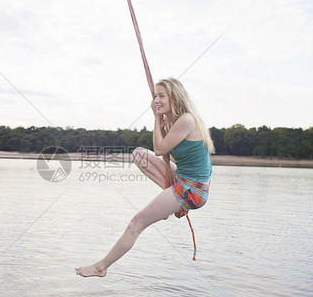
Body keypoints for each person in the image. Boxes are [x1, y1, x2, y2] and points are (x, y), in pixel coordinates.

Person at [75, 77, 214, 277]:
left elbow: (159, 149)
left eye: (161, 96)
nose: (156, 100)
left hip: (191, 190)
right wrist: (162, 121)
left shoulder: (186, 120)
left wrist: (156, 119)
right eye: (155, 96)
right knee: (139, 155)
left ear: (174, 97)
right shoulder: (175, 121)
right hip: (184, 179)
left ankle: (101, 267)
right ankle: (171, 199)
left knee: (136, 223)